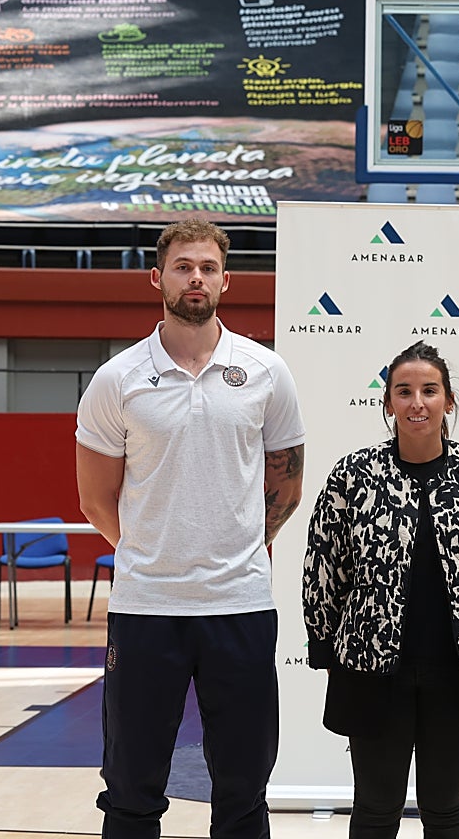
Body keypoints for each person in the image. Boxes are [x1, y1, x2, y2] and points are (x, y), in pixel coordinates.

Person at [76, 218, 306, 839]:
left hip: (241, 606)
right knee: (131, 789)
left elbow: (285, 484)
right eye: (183, 267)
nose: (195, 277)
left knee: (242, 789)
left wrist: (238, 552)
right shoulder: (116, 380)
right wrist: (156, 552)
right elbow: (95, 500)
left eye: (207, 267)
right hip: (147, 607)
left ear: (226, 281)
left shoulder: (265, 372)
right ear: (159, 278)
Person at [302, 340, 459, 839]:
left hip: (458, 669)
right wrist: (324, 643)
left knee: (446, 811)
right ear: (387, 403)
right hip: (373, 670)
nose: (416, 402)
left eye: (429, 390)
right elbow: (324, 566)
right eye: (403, 391)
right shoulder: (352, 476)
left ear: (448, 401)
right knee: (376, 810)